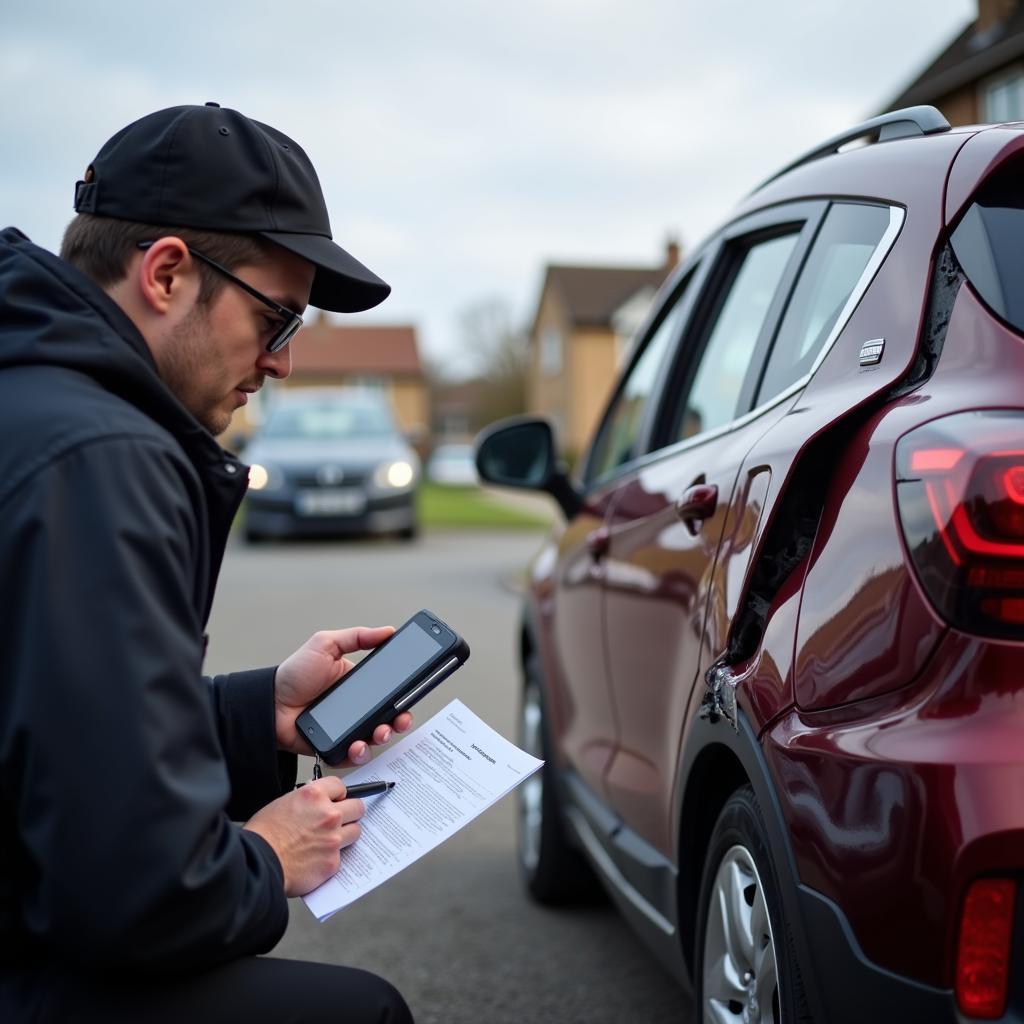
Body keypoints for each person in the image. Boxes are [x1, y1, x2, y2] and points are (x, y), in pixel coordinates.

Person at [0, 103, 415, 1022]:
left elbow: (47, 728)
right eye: (276, 317)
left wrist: (246, 713)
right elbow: (134, 898)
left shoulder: (35, 399)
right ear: (168, 273)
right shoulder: (99, 458)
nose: (284, 362)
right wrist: (266, 859)